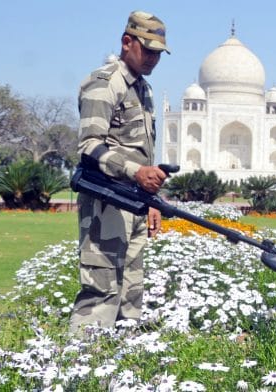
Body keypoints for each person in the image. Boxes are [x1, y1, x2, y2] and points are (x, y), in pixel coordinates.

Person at [70, 10, 171, 333]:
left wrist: (152, 198)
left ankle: (119, 368)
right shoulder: (105, 83)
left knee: (131, 293)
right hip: (106, 203)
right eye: (148, 49)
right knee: (101, 291)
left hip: (134, 204)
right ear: (127, 42)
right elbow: (88, 147)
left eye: (158, 52)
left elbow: (144, 153)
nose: (154, 58)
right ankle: (79, 368)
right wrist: (136, 172)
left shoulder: (143, 90)